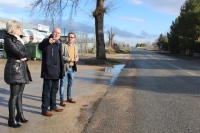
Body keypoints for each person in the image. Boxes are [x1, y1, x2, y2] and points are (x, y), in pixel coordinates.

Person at [3, 20, 32, 128]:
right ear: (14, 28)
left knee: (19, 95)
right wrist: (22, 56)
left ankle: (20, 115)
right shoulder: (8, 39)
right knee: (14, 96)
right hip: (14, 69)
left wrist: (24, 56)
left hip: (22, 68)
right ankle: (11, 119)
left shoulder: (19, 40)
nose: (21, 30)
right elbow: (19, 53)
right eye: (20, 28)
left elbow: (27, 54)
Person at [38, 28, 65, 117]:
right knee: (47, 91)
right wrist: (47, 41)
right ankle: (44, 109)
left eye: (58, 33)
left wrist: (62, 69)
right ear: (52, 33)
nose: (57, 34)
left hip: (57, 71)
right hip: (48, 71)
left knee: (54, 90)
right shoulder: (47, 41)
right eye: (55, 32)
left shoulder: (59, 43)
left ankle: (53, 106)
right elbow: (40, 46)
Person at [59, 32, 79, 107]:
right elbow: (61, 56)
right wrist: (69, 59)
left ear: (74, 38)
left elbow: (76, 55)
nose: (70, 38)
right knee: (62, 84)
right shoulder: (63, 45)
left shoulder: (76, 46)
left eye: (72, 37)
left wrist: (77, 58)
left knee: (70, 84)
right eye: (69, 37)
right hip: (65, 68)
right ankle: (62, 100)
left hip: (72, 68)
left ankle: (69, 98)